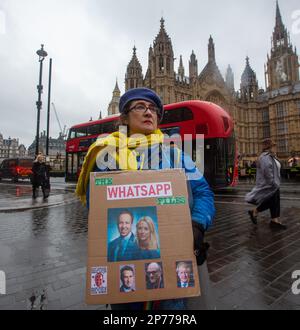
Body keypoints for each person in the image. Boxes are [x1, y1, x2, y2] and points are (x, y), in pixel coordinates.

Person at [76, 87, 216, 310]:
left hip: (171, 282)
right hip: (125, 282)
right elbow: (98, 209)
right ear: (124, 117)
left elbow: (203, 192)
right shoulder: (105, 156)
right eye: (140, 107)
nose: (149, 112)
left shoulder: (175, 154)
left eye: (153, 109)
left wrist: (198, 224)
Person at [246, 139, 287, 230]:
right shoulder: (265, 157)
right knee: (272, 201)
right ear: (269, 147)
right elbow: (267, 171)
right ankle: (257, 212)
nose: (275, 148)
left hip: (274, 183)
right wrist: (273, 182)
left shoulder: (272, 156)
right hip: (269, 184)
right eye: (274, 146)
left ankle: (274, 220)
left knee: (275, 201)